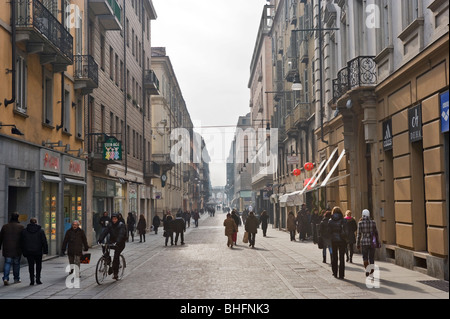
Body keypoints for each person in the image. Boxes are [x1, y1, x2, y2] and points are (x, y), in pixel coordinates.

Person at [98, 213, 127, 280]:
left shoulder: (121, 225)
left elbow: (121, 234)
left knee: (116, 257)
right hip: (112, 241)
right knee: (105, 247)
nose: (114, 220)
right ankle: (108, 261)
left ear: (118, 219)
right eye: (113, 219)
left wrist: (118, 241)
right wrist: (100, 240)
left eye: (115, 219)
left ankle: (115, 273)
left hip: (120, 243)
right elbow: (105, 232)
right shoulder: (110, 225)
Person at [21, 218, 48, 285]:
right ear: (36, 222)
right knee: (38, 265)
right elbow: (44, 241)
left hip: (29, 251)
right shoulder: (40, 231)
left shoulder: (24, 231)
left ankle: (32, 280)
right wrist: (45, 251)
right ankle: (38, 279)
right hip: (38, 251)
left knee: (31, 266)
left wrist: (23, 251)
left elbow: (22, 242)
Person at [0, 212, 25, 285]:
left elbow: (0, 238)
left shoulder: (5, 226)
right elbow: (23, 239)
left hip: (7, 248)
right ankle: (16, 278)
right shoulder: (21, 227)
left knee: (7, 263)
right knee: (16, 264)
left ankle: (5, 278)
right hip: (17, 248)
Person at [357, 209, 380, 277]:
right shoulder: (373, 222)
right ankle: (372, 268)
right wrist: (377, 241)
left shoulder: (360, 223)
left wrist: (357, 243)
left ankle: (367, 269)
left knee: (365, 257)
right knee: (371, 257)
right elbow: (376, 233)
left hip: (364, 242)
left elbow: (358, 234)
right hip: (371, 242)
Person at [327, 206, 347, 279]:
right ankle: (341, 274)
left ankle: (335, 272)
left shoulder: (330, 220)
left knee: (334, 257)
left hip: (334, 240)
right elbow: (346, 231)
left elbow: (328, 231)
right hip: (342, 240)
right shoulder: (343, 220)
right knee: (342, 257)